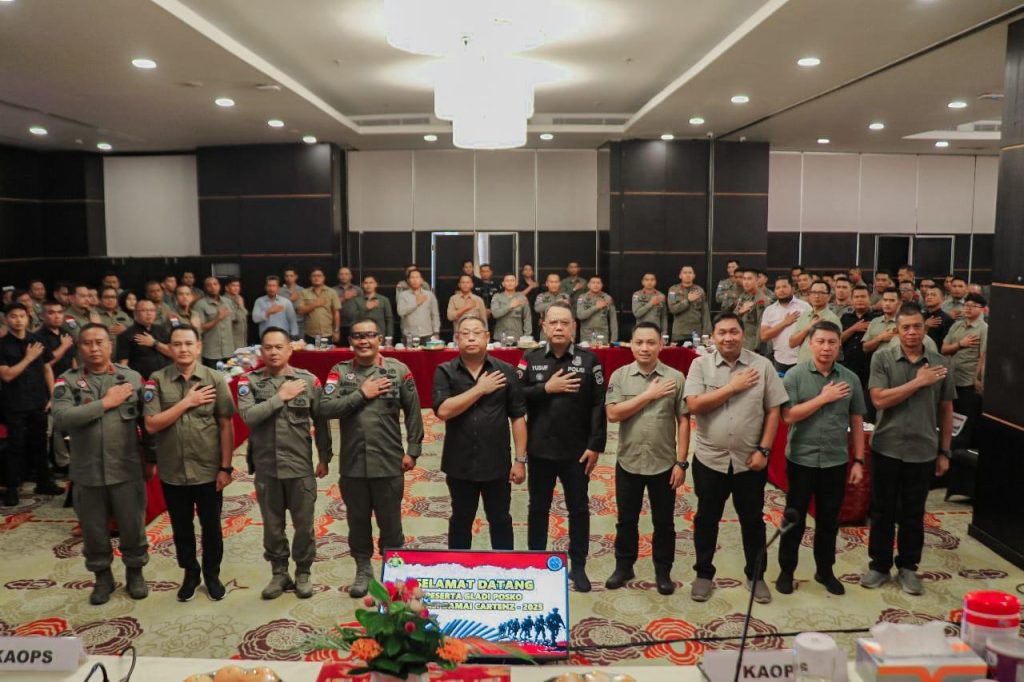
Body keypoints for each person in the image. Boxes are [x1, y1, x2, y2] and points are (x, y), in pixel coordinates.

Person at [684, 312, 787, 603]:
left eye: (734, 332)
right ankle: (704, 574)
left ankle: (756, 575)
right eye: (722, 333)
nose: (728, 338)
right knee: (707, 518)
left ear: (743, 334)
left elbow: (774, 411)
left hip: (750, 461)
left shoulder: (762, 365)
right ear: (713, 337)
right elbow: (694, 405)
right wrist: (732, 387)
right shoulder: (700, 365)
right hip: (710, 459)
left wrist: (764, 450)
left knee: (753, 520)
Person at [320, 319, 423, 597]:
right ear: (350, 341)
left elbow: (413, 411)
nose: (363, 341)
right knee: (358, 522)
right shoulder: (339, 372)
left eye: (369, 335)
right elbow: (325, 409)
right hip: (353, 465)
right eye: (357, 336)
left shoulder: (398, 370)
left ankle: (394, 573)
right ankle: (363, 570)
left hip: (389, 463)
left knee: (391, 524)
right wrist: (361, 394)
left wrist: (413, 449)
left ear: (380, 338)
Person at [52, 324, 153, 605]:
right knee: (94, 531)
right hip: (88, 473)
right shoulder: (67, 381)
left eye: (99, 342)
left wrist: (151, 459)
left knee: (133, 527)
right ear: (79, 348)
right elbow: (61, 419)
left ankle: (135, 573)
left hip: (126, 469)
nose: (94, 348)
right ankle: (102, 578)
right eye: (87, 343)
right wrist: (105, 404)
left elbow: (147, 422)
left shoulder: (131, 378)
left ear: (110, 345)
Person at [861, 304, 954, 595]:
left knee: (914, 513)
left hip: (923, 450)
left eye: (917, 327)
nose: (912, 332)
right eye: (906, 327)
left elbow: (946, 409)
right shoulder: (883, 358)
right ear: (897, 330)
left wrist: (945, 451)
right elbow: (879, 400)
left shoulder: (939, 363)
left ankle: (908, 567)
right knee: (882, 511)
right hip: (886, 447)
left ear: (924, 329)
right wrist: (918, 382)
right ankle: (879, 565)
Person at [237, 327, 332, 600]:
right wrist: (281, 396)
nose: (273, 352)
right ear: (261, 351)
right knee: (272, 526)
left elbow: (322, 422)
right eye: (268, 347)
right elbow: (248, 416)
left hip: (300, 467)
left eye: (279, 347)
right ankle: (279, 572)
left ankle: (303, 571)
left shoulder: (308, 381)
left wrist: (324, 456)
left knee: (304, 526)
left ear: (290, 349)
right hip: (267, 468)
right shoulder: (249, 381)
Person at [518, 302, 606, 592]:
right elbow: (516, 396)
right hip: (540, 450)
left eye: (564, 323)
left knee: (578, 509)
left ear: (574, 327)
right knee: (538, 508)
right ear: (543, 326)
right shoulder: (530, 359)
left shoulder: (589, 360)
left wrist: (595, 445)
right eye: (553, 322)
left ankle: (578, 566)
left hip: (577, 452)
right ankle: (536, 563)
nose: (558, 328)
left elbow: (598, 404)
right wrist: (545, 389)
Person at [143, 325, 236, 602]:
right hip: (173, 471)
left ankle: (212, 574)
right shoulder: (157, 380)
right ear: (169, 348)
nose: (183, 349)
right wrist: (187, 402)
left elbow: (226, 424)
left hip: (208, 470)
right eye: (177, 344)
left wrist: (226, 467)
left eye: (188, 343)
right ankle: (190, 572)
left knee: (211, 527)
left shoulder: (214, 378)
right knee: (181, 528)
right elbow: (151, 424)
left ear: (198, 347)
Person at [776, 322, 866, 596]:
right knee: (794, 518)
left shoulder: (850, 378)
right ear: (811, 344)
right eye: (821, 342)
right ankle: (786, 570)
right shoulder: (795, 375)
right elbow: (788, 416)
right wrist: (823, 398)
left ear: (839, 346)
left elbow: (857, 420)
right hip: (800, 459)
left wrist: (859, 460)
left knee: (828, 521)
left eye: (832, 342)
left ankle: (825, 570)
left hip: (834, 461)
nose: (826, 347)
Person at [605, 322, 689, 595]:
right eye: (639, 342)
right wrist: (649, 395)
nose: (644, 348)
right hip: (628, 461)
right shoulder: (620, 375)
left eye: (651, 342)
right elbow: (613, 414)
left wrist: (681, 462)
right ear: (631, 344)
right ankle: (624, 566)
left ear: (661, 345)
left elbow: (683, 421)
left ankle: (663, 571)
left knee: (664, 522)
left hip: (664, 463)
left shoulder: (675, 378)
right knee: (626, 519)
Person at [433, 315, 527, 550]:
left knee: (500, 519)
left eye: (477, 333)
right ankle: (457, 566)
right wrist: (480, 389)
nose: (471, 338)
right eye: (465, 333)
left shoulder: (505, 371)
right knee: (461, 519)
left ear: (487, 337)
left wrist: (520, 460)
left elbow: (517, 417)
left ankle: (504, 567)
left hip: (497, 463)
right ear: (457, 338)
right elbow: (443, 411)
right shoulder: (445, 371)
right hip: (459, 463)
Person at [0, 304, 64, 506]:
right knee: (15, 446)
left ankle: (44, 482)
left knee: (40, 444)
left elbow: (46, 368)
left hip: (37, 400)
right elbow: (7, 375)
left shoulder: (37, 339)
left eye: (22, 316)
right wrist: (28, 358)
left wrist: (52, 395)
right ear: (6, 319)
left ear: (28, 318)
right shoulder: (2, 344)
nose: (18, 320)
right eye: (13, 316)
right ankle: (12, 487)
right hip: (14, 403)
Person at [941, 293, 987, 448]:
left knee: (966, 419)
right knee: (950, 415)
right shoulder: (956, 325)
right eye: (966, 305)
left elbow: (983, 355)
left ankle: (962, 449)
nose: (968, 308)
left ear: (982, 309)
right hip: (952, 378)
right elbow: (944, 349)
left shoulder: (984, 329)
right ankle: (947, 446)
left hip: (968, 382)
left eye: (973, 306)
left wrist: (977, 379)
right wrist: (960, 344)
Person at [39, 299, 76, 473]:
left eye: (59, 312)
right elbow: (46, 363)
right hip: (47, 387)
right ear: (42, 315)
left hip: (69, 384)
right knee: (49, 430)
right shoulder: (38, 336)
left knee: (66, 426)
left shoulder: (66, 333)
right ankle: (46, 468)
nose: (56, 316)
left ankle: (65, 463)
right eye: (51, 312)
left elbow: (73, 360)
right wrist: (63, 346)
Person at [759, 277, 811, 374]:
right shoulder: (769, 310)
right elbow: (764, 336)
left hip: (801, 358)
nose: (781, 290)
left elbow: (811, 331)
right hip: (779, 359)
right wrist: (784, 323)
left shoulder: (805, 307)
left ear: (793, 288)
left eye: (784, 286)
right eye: (778, 288)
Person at [840, 285, 877, 414]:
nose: (860, 299)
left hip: (869, 368)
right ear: (851, 300)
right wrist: (853, 328)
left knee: (867, 404)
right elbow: (838, 340)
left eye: (863, 296)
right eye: (856, 297)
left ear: (870, 298)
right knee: (847, 401)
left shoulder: (877, 319)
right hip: (848, 366)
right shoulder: (845, 318)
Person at [116, 299, 173, 380]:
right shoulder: (126, 335)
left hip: (166, 378)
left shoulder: (162, 330)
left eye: (152, 310)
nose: (149, 313)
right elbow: (123, 365)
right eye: (144, 310)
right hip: (141, 380)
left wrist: (154, 343)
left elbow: (173, 353)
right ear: (135, 313)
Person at [788, 281, 842, 363]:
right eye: (813, 292)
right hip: (802, 365)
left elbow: (835, 349)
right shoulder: (804, 316)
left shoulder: (832, 319)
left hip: (821, 367)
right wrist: (807, 328)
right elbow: (792, 343)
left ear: (829, 296)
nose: (816, 296)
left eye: (821, 293)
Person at [194, 277, 237, 368]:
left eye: (215, 284)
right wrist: (217, 318)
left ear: (219, 286)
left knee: (232, 376)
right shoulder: (200, 305)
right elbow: (199, 328)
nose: (213, 287)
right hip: (211, 353)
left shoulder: (228, 302)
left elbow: (232, 322)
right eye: (209, 285)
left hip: (229, 351)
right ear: (205, 288)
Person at [297, 268, 341, 345]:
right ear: (310, 278)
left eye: (319, 276)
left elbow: (336, 313)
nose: (316, 278)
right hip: (310, 334)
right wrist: (315, 304)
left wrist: (336, 331)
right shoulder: (304, 292)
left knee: (327, 352)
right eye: (314, 276)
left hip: (327, 333)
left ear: (324, 278)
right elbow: (300, 311)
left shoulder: (332, 292)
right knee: (310, 353)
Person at [668, 265, 711, 343]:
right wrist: (688, 300)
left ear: (694, 276)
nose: (688, 275)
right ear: (680, 276)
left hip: (696, 332)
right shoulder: (673, 290)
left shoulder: (700, 290)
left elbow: (705, 313)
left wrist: (706, 333)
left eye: (690, 273)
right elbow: (672, 309)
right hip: (679, 332)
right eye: (685, 273)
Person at [397, 270, 440, 344]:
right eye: (412, 277)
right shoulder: (403, 295)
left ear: (422, 280)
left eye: (417, 277)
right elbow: (400, 312)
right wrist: (416, 303)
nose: (414, 280)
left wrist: (436, 332)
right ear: (408, 280)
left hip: (427, 334)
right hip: (409, 335)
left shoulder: (430, 295)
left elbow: (435, 315)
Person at [577, 276, 617, 343]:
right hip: (586, 335)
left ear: (602, 285)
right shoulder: (582, 298)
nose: (596, 285)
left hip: (602, 335)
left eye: (598, 283)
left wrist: (614, 339)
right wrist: (596, 307)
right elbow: (580, 316)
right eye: (593, 283)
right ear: (588, 285)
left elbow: (613, 319)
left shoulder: (607, 298)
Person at [492, 274, 532, 342]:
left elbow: (527, 318)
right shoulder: (497, 297)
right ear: (503, 284)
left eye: (512, 281)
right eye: (507, 281)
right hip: (500, 336)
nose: (510, 283)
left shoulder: (522, 298)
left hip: (517, 336)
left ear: (516, 283)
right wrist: (510, 306)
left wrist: (527, 336)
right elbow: (495, 314)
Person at [353, 276, 394, 341]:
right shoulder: (356, 300)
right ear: (362, 285)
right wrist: (366, 308)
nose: (368, 285)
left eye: (371, 283)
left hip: (380, 335)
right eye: (366, 283)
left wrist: (389, 337)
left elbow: (389, 320)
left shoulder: (384, 300)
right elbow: (354, 320)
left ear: (376, 284)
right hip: (362, 336)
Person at [735, 269, 767, 352]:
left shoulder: (761, 300)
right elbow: (734, 316)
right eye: (744, 279)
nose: (746, 282)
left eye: (749, 279)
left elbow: (761, 325)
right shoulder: (744, 296)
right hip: (742, 341)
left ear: (757, 280)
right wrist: (740, 312)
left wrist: (757, 348)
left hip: (752, 345)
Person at [533, 274, 571, 342]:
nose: (554, 284)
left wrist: (572, 335)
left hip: (562, 329)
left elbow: (570, 313)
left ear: (559, 283)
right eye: (551, 282)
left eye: (556, 282)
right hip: (546, 330)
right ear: (547, 283)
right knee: (545, 347)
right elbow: (537, 308)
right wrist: (557, 302)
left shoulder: (565, 296)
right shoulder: (541, 296)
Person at [96, 286, 132, 354]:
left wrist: (126, 330)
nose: (110, 300)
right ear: (100, 299)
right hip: (102, 354)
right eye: (106, 297)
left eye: (113, 297)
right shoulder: (93, 315)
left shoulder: (123, 314)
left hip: (125, 355)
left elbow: (136, 331)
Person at [333, 267, 361, 343]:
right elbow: (330, 306)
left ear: (351, 276)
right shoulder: (332, 290)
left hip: (355, 325)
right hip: (338, 326)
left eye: (346, 274)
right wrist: (344, 298)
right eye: (341, 274)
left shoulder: (358, 290)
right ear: (338, 276)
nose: (344, 276)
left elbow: (362, 306)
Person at [282, 268, 306, 338]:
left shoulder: (302, 290)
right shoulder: (279, 291)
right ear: (284, 277)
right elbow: (277, 309)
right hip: (284, 324)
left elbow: (304, 309)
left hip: (300, 324)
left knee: (299, 344)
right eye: (287, 276)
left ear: (296, 277)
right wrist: (291, 299)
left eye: (291, 276)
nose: (289, 278)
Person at [224, 277, 247, 349]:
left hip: (241, 339)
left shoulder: (238, 298)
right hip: (231, 340)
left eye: (238, 286)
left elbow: (244, 316)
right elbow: (235, 318)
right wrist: (240, 305)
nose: (236, 288)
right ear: (227, 288)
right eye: (233, 285)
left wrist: (240, 305)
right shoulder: (224, 301)